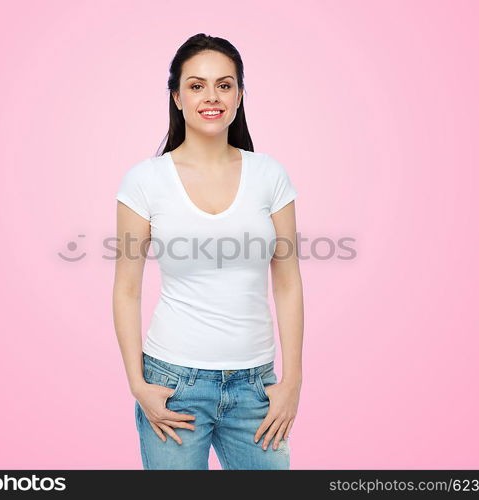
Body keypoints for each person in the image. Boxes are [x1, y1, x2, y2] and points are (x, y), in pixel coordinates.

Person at [112, 33, 304, 470]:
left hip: (256, 387)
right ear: (177, 97)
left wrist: (291, 380)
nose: (211, 97)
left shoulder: (269, 175)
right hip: (172, 386)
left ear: (239, 96)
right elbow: (126, 289)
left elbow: (288, 282)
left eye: (224, 84)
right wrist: (137, 385)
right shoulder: (144, 181)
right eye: (196, 86)